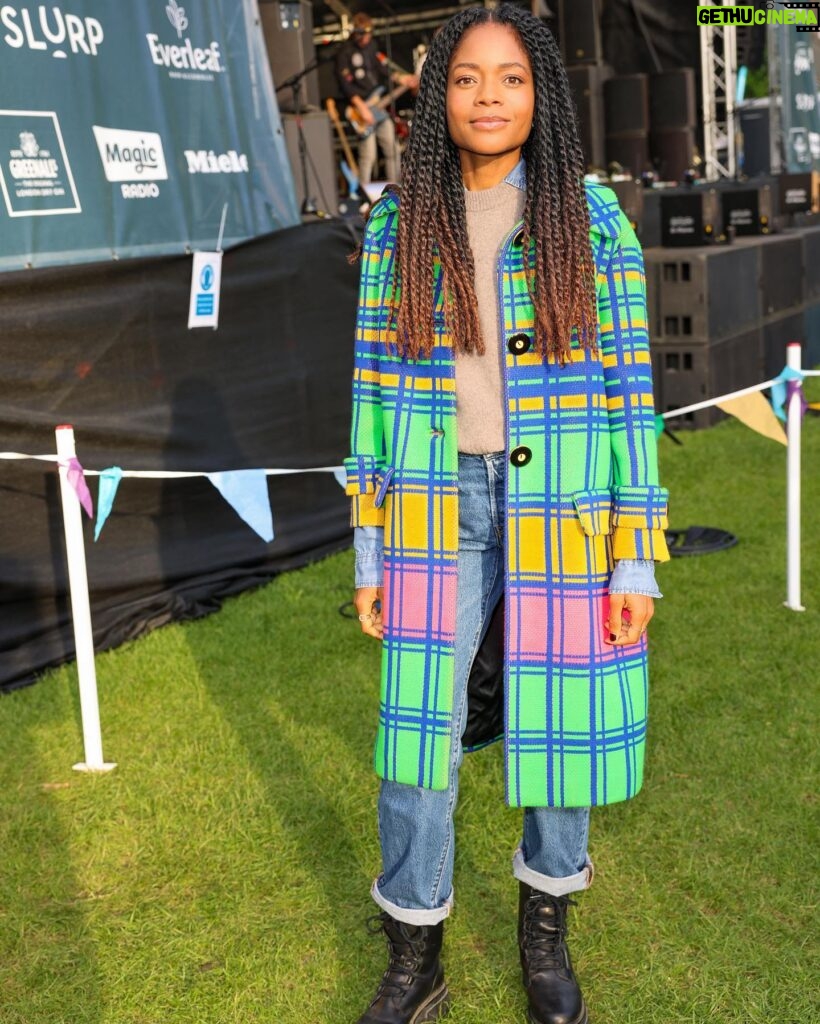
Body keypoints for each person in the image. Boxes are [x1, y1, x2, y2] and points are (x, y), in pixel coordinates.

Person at [342, 5, 670, 1023]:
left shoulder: (589, 217)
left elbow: (630, 396)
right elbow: (371, 391)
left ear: (542, 98)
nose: (490, 97)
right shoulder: (398, 222)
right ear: (437, 94)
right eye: (469, 78)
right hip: (433, 519)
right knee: (415, 748)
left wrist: (636, 556)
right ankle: (415, 954)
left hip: (563, 517)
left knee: (561, 739)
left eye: (512, 78)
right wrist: (367, 546)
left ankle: (544, 939)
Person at [335, 12, 417, 185]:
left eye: (368, 33)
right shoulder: (345, 52)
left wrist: (401, 78)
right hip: (361, 107)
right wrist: (361, 107)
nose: (366, 37)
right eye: (362, 34)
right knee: (368, 156)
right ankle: (364, 194)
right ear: (355, 33)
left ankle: (395, 189)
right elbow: (345, 85)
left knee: (392, 149)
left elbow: (383, 70)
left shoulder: (372, 47)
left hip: (378, 106)